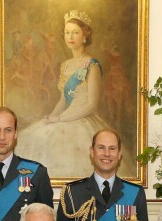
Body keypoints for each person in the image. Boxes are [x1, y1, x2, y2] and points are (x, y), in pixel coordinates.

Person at [15, 10, 121, 177]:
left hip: (83, 119)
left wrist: (60, 119)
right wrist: (52, 117)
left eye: (75, 32)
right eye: (67, 32)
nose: (70, 36)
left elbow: (92, 105)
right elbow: (64, 100)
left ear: (85, 36)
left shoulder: (92, 65)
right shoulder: (65, 65)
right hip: (64, 117)